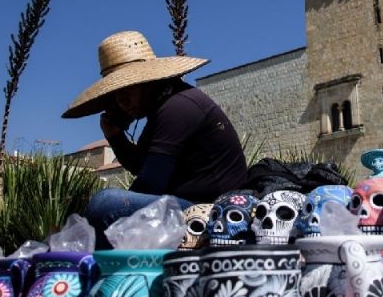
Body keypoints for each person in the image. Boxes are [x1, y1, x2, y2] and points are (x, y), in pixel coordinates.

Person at [62, 30, 248, 247]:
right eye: (115, 93)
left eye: (127, 89)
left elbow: (149, 184)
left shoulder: (177, 107)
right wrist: (115, 136)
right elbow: (140, 166)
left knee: (105, 203)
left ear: (148, 82)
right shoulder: (162, 107)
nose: (121, 100)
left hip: (209, 210)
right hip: (188, 204)